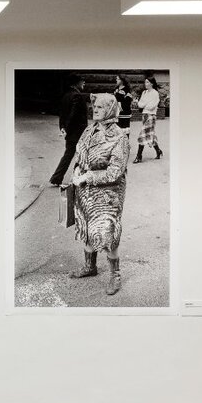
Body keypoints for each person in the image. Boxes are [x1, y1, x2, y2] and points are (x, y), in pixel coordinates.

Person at [69, 93, 130, 296]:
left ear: (111, 110)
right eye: (94, 106)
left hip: (107, 194)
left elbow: (115, 172)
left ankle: (115, 275)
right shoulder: (89, 129)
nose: (95, 109)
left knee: (107, 232)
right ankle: (90, 267)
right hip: (85, 191)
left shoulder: (119, 137)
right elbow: (79, 153)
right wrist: (77, 169)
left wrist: (88, 176)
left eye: (101, 107)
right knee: (87, 228)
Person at [49, 73, 89, 186]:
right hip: (78, 132)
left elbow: (62, 113)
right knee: (82, 155)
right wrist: (66, 128)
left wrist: (62, 127)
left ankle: (57, 178)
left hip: (72, 132)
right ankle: (76, 178)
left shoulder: (66, 95)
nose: (84, 82)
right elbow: (73, 115)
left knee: (69, 155)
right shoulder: (77, 96)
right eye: (82, 80)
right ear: (76, 83)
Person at [134, 77, 164, 163]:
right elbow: (140, 105)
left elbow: (151, 106)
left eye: (147, 82)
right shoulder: (144, 92)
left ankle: (139, 156)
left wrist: (144, 104)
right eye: (145, 82)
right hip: (144, 116)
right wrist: (145, 104)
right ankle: (158, 151)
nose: (145, 84)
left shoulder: (155, 93)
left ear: (152, 83)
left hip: (151, 116)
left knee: (142, 135)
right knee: (150, 135)